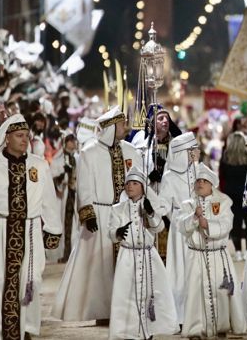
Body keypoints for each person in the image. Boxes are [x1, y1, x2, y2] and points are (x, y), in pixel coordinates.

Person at [0, 113, 62, 340]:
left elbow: (49, 200)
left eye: (27, 136)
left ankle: (25, 328)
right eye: (20, 136)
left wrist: (53, 228)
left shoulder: (39, 166)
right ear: (7, 137)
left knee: (31, 280)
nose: (25, 140)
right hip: (0, 229)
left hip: (30, 231)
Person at [52, 107, 142, 323]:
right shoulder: (89, 152)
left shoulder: (131, 151)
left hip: (125, 214)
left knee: (125, 263)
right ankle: (101, 310)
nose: (125, 128)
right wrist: (88, 213)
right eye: (121, 124)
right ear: (111, 127)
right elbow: (84, 186)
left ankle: (125, 308)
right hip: (100, 216)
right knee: (99, 267)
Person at [107, 167, 177, 340]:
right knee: (126, 296)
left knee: (150, 294)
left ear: (143, 187)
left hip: (148, 256)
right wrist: (117, 232)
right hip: (127, 257)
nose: (130, 186)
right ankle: (126, 331)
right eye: (128, 183)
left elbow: (159, 228)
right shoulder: (117, 209)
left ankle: (148, 329)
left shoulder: (149, 206)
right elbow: (110, 233)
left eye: (135, 183)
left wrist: (151, 214)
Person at [178, 163, 246, 337]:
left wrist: (208, 224)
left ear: (211, 184)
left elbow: (226, 225)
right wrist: (194, 218)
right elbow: (181, 227)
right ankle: (195, 329)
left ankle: (221, 325)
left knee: (221, 292)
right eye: (198, 181)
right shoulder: (187, 204)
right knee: (195, 294)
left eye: (204, 181)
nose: (200, 183)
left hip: (218, 256)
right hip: (196, 255)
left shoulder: (223, 202)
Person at [160, 131, 201, 322]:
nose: (196, 153)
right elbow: (164, 205)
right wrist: (179, 215)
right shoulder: (169, 176)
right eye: (192, 150)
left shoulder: (199, 170)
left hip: (199, 224)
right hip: (179, 229)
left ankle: (198, 312)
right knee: (179, 269)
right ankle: (180, 314)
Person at [218, 130, 247, 258]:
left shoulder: (226, 156)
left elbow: (222, 176)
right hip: (245, 193)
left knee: (234, 222)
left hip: (230, 193)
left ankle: (237, 251)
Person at [50, 133, 79, 263]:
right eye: (71, 141)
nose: (73, 143)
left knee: (73, 224)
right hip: (63, 197)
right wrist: (62, 176)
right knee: (63, 223)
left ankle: (72, 252)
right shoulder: (58, 159)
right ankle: (63, 252)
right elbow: (52, 177)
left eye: (74, 141)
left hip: (74, 195)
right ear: (65, 142)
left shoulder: (77, 158)